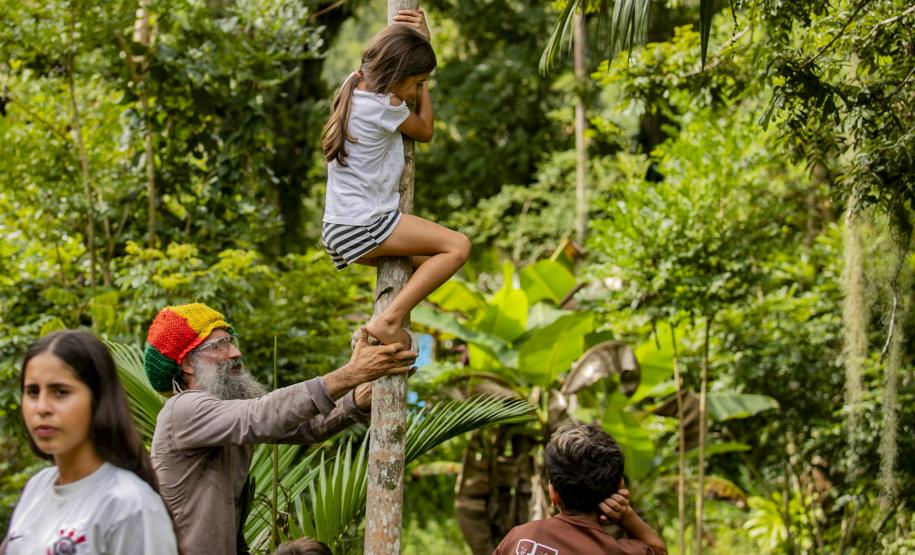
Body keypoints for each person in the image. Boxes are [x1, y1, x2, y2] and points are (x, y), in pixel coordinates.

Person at [144, 303, 415, 555]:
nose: (235, 353)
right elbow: (262, 415)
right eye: (220, 345)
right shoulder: (183, 410)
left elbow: (306, 427)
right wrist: (351, 373)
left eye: (232, 341)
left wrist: (357, 399)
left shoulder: (223, 415)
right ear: (188, 364)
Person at [320, 9, 471, 348]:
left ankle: (376, 339)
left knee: (431, 263)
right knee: (458, 246)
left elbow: (388, 55)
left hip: (340, 228)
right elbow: (426, 130)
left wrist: (419, 49)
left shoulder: (354, 84)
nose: (418, 91)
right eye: (417, 83)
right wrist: (426, 74)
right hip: (364, 223)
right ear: (398, 75)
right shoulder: (385, 104)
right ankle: (388, 321)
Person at [2, 330, 178, 554]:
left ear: (98, 400)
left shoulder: (130, 504)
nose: (42, 407)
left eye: (60, 392)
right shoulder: (37, 487)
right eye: (33, 392)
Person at [494, 424, 668, 555]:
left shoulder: (520, 538)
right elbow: (658, 549)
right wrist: (626, 516)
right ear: (618, 488)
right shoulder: (617, 552)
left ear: (553, 494)